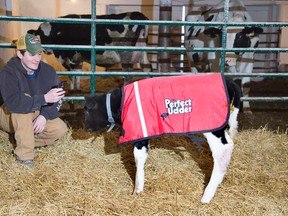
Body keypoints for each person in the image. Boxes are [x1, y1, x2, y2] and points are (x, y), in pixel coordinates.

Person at [0, 33, 68, 168]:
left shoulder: (48, 71)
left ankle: (23, 139)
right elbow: (14, 103)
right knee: (24, 100)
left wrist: (44, 115)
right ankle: (24, 157)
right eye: (32, 54)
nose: (37, 59)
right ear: (19, 54)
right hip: (7, 116)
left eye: (39, 54)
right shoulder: (9, 72)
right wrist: (44, 98)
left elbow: (58, 97)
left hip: (33, 112)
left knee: (60, 129)